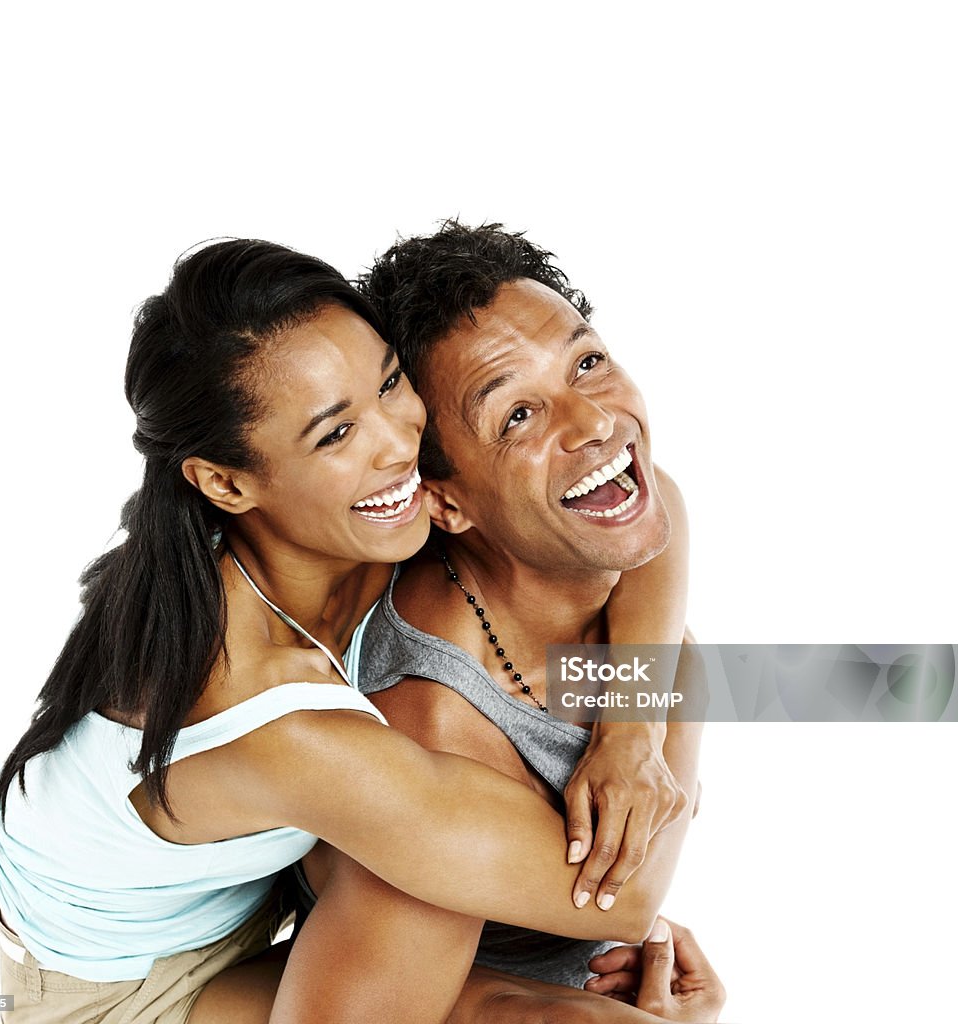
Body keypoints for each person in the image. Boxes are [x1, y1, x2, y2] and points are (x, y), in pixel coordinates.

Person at [0, 238, 717, 1024]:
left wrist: (631, 732)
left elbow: (637, 504)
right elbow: (624, 899)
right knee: (432, 890)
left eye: (392, 385)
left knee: (470, 912)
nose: (400, 445)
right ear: (227, 482)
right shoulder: (276, 715)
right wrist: (681, 683)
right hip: (117, 991)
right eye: (336, 435)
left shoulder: (360, 521)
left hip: (257, 903)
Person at [279, 222, 707, 1019]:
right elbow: (630, 898)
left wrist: (631, 732)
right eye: (517, 416)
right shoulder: (429, 724)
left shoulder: (587, 529)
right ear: (445, 501)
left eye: (587, 362)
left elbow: (659, 507)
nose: (593, 424)